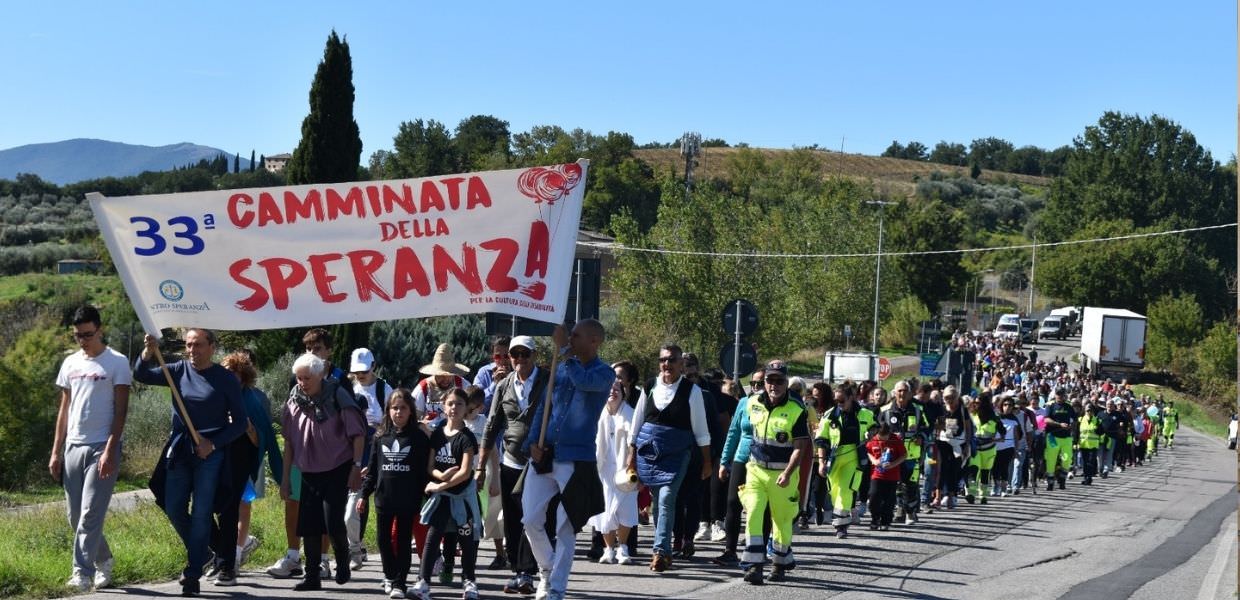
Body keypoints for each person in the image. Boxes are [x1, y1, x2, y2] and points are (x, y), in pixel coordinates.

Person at [134, 329, 246, 597]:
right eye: (188, 345)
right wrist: (147, 353)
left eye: (198, 345)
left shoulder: (226, 379)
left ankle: (193, 572)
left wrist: (214, 443)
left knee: (201, 513)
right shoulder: (176, 370)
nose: (192, 351)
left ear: (212, 347)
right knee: (173, 507)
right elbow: (141, 374)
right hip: (181, 449)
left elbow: (240, 423)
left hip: (210, 453)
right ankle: (204, 553)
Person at [522, 320, 614, 600]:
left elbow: (584, 383)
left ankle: (557, 588)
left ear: (594, 341)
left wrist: (563, 349)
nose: (570, 339)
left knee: (566, 525)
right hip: (546, 452)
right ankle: (547, 570)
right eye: (569, 335)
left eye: (576, 336)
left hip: (576, 457)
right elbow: (544, 409)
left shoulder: (604, 373)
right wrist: (531, 443)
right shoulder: (560, 369)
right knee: (530, 519)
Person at [51, 306, 131, 592]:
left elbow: (121, 411)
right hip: (73, 445)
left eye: (88, 334)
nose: (83, 340)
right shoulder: (70, 363)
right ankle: (104, 559)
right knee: (75, 516)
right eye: (78, 336)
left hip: (102, 446)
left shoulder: (117, 362)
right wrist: (56, 451)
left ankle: (81, 573)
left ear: (100, 330)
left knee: (90, 514)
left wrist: (111, 449)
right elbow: (64, 409)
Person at [280, 352, 367, 591]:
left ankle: (341, 560)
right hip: (308, 470)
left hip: (337, 468)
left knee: (332, 522)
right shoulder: (294, 401)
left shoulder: (337, 395)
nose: (302, 383)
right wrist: (286, 479)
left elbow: (358, 434)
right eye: (299, 378)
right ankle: (311, 576)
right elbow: (288, 442)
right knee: (308, 525)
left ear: (320, 375)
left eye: (307, 377)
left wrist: (356, 468)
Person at [268, 328, 346, 580]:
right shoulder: (297, 379)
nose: (313, 353)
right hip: (300, 455)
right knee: (293, 504)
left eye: (318, 349)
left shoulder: (340, 380)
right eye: (308, 349)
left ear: (329, 351)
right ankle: (293, 556)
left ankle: (323, 560)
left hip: (328, 460)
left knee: (323, 511)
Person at [628, 344, 711, 572]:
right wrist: (630, 457)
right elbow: (636, 424)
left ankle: (661, 552)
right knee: (659, 500)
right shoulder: (650, 387)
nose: (667, 364)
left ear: (681, 364)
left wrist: (706, 462)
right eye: (663, 360)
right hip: (649, 451)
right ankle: (662, 546)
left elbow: (701, 430)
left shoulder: (691, 391)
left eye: (672, 360)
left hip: (677, 453)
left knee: (666, 497)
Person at [478, 335, 546, 595]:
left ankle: (530, 572)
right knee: (514, 520)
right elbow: (492, 425)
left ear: (534, 355)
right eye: (514, 355)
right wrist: (481, 466)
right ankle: (519, 572)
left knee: (532, 517)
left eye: (524, 354)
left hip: (539, 463)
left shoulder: (548, 381)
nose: (519, 360)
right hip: (510, 461)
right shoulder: (504, 385)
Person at [737, 360, 810, 585]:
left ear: (786, 383)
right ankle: (754, 566)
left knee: (781, 520)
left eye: (779, 381)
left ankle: (779, 563)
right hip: (756, 470)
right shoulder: (752, 403)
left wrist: (788, 473)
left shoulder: (797, 410)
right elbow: (746, 433)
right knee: (754, 513)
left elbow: (800, 447)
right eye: (770, 380)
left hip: (783, 475)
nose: (774, 385)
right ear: (764, 381)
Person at [208, 352, 276, 586]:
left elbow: (262, 440)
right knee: (207, 507)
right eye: (224, 370)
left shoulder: (256, 399)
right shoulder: (214, 396)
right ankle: (224, 553)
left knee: (235, 508)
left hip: (243, 463)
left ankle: (231, 559)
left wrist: (245, 426)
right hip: (214, 461)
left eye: (232, 372)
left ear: (243, 376)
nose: (227, 375)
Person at [359, 388, 431, 600]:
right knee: (382, 540)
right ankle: (389, 575)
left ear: (410, 411)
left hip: (408, 499)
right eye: (394, 408)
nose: (398, 412)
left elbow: (423, 471)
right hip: (384, 498)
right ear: (388, 410)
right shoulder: (381, 437)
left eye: (403, 408)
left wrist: (427, 493)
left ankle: (400, 582)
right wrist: (364, 495)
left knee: (402, 541)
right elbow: (372, 470)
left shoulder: (418, 438)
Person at [412, 389, 481, 600]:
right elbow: (430, 466)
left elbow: (465, 472)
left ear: (466, 408)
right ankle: (423, 582)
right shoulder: (439, 433)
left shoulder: (467, 438)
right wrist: (439, 476)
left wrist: (439, 486)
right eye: (450, 403)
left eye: (459, 404)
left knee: (467, 540)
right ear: (444, 406)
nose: (454, 408)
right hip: (442, 498)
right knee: (433, 538)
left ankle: (469, 582)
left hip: (462, 497)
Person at [233, 349, 279, 570]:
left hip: (253, 460)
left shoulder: (259, 398)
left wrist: (250, 430)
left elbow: (265, 436)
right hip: (227, 460)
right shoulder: (222, 393)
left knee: (243, 506)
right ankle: (239, 545)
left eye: (247, 365)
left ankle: (237, 552)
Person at [346, 348, 390, 570]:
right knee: (354, 497)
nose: (360, 375)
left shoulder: (384, 388)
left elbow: (392, 418)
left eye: (363, 371)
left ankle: (364, 546)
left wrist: (378, 429)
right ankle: (357, 545)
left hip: (375, 445)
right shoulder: (349, 387)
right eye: (356, 371)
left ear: (373, 366)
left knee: (365, 494)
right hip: (353, 444)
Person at [588, 378, 638, 566]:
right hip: (603, 469)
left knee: (626, 510)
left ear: (623, 393)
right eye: (609, 389)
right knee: (604, 511)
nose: (613, 392)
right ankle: (608, 549)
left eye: (617, 388)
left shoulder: (630, 414)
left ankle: (623, 547)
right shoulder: (597, 414)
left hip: (626, 469)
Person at [817, 383, 875, 537]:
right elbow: (821, 440)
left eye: (842, 400)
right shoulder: (829, 415)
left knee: (845, 488)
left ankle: (841, 526)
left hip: (854, 457)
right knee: (834, 490)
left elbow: (877, 428)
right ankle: (843, 515)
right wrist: (821, 462)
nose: (839, 404)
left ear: (851, 398)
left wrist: (871, 433)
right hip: (834, 457)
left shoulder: (865, 414)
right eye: (836, 401)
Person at [878, 381, 926, 524]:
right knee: (897, 484)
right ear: (894, 392)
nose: (902, 394)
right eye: (899, 391)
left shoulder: (918, 410)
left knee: (910, 485)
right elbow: (877, 430)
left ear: (910, 393)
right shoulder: (885, 410)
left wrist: (921, 437)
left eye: (905, 391)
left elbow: (926, 428)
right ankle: (900, 509)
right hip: (893, 455)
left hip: (911, 455)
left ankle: (911, 512)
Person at [930, 386, 971, 511]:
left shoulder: (963, 410)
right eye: (947, 398)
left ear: (957, 397)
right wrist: (941, 425)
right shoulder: (941, 409)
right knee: (941, 469)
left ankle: (951, 497)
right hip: (943, 441)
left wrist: (967, 445)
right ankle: (937, 497)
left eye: (952, 397)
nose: (950, 400)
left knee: (954, 470)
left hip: (959, 443)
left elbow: (968, 428)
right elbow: (935, 424)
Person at [413, 344, 471, 425]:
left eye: (449, 375)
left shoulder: (463, 385)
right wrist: (422, 423)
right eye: (441, 376)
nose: (446, 379)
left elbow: (472, 412)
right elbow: (414, 416)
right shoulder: (423, 388)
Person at [865, 422, 906, 531]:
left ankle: (885, 521)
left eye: (885, 438)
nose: (883, 440)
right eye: (880, 437)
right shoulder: (873, 439)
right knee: (873, 497)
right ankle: (875, 519)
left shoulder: (895, 440)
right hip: (876, 474)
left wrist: (892, 464)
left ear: (889, 433)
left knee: (889, 501)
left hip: (892, 476)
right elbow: (868, 451)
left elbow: (904, 455)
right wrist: (874, 460)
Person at [966, 392, 1005, 505]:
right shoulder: (972, 416)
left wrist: (997, 439)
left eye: (978, 403)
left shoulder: (995, 418)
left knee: (985, 472)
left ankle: (983, 495)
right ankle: (971, 494)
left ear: (984, 404)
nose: (975, 405)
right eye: (975, 402)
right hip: (975, 448)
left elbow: (1003, 433)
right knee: (973, 470)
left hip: (989, 449)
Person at [1042, 388, 1077, 491]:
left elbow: (1075, 420)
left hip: (1066, 437)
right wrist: (1059, 424)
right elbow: (1046, 419)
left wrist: (1071, 427)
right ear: (1055, 394)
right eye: (1058, 394)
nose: (1060, 396)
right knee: (1051, 460)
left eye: (1062, 394)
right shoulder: (1050, 405)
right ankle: (1050, 482)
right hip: (1052, 437)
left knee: (1067, 459)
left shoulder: (1068, 406)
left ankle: (1062, 480)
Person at [472, 335, 512, 410]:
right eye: (497, 357)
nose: (502, 361)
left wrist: (510, 380)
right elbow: (477, 408)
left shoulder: (518, 372)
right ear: (492, 356)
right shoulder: (484, 372)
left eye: (506, 356)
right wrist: (494, 384)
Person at [1078, 403, 1103, 485]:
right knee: (1085, 462)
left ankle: (1089, 477)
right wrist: (1075, 442)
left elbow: (1102, 432)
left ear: (1093, 411)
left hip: (1093, 445)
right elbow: (1076, 432)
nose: (1089, 412)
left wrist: (1097, 429)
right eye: (1087, 410)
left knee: (1091, 462)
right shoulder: (1081, 419)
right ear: (1085, 411)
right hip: (1083, 444)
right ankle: (1086, 477)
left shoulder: (1097, 420)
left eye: (1090, 410)